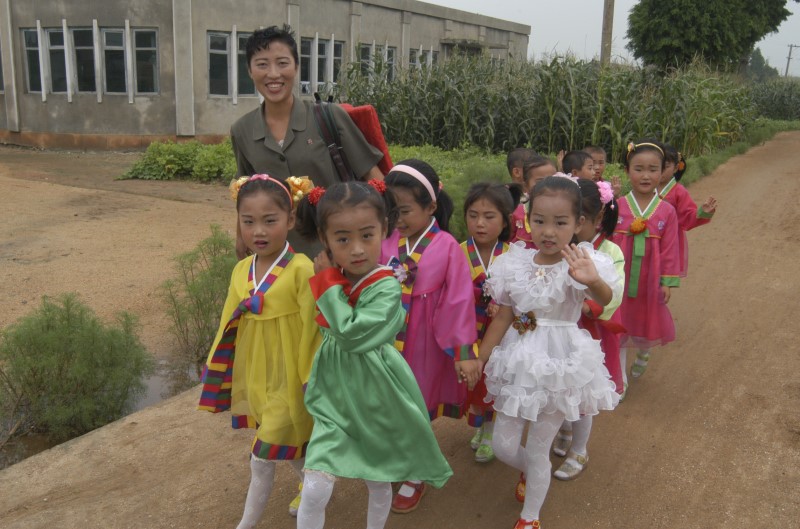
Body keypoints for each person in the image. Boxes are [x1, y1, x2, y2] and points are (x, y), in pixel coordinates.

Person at [293, 181, 452, 529]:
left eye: (367, 235)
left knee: (378, 479)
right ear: (325, 238)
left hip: (375, 392)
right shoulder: (334, 278)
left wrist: (325, 285)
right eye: (343, 238)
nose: (356, 249)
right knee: (316, 486)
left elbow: (350, 335)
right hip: (335, 394)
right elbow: (316, 332)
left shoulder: (385, 284)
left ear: (384, 230)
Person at [477, 175, 621, 529]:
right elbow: (505, 316)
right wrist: (480, 359)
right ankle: (532, 470)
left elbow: (604, 299)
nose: (548, 231)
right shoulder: (515, 263)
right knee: (504, 446)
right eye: (539, 220)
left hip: (560, 363)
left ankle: (531, 518)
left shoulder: (583, 262)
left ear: (578, 224)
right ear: (528, 219)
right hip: (518, 358)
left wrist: (593, 282)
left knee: (540, 447)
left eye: (560, 223)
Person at [197, 175, 321, 529]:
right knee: (292, 444)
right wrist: (213, 364)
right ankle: (314, 481)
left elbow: (313, 328)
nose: (259, 231)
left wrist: (310, 376)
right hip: (257, 375)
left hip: (291, 378)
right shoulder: (241, 270)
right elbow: (227, 320)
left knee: (261, 456)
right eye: (248, 221)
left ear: (291, 220)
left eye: (270, 220)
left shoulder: (301, 270)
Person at [230, 25, 384, 258]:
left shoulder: (329, 116)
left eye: (282, 63)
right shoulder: (242, 131)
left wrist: (387, 235)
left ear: (296, 67)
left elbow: (374, 179)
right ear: (250, 71)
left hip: (340, 255)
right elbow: (247, 193)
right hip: (280, 259)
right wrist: (241, 237)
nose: (273, 74)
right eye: (262, 64)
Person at [380, 159, 481, 513]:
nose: (398, 219)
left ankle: (416, 472)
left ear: (431, 206)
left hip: (425, 342)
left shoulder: (447, 245)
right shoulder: (385, 239)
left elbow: (457, 299)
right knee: (389, 402)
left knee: (416, 404)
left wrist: (464, 351)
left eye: (405, 210)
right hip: (386, 339)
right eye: (391, 210)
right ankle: (400, 457)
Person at [552, 178, 626, 481]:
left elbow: (613, 293)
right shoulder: (555, 246)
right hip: (556, 333)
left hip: (589, 335)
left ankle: (579, 448)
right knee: (557, 385)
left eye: (577, 217)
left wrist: (585, 306)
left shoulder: (609, 251)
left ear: (595, 218)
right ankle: (566, 428)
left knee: (582, 392)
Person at [461, 182, 523, 463]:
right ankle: (483, 427)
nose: (480, 223)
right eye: (473, 215)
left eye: (489, 217)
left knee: (496, 379)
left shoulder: (515, 255)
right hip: (469, 329)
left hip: (504, 333)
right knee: (475, 382)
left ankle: (491, 430)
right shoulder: (457, 252)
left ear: (505, 220)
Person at [612, 141, 680, 383]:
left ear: (662, 173)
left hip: (650, 277)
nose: (645, 175)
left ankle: (644, 351)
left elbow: (671, 248)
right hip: (619, 275)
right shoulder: (616, 207)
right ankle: (620, 380)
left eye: (653, 169)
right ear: (627, 170)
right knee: (618, 321)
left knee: (646, 316)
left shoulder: (666, 211)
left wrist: (667, 282)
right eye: (638, 169)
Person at [657, 143, 717, 277]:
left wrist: (702, 212)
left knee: (662, 280)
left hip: (669, 241)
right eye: (656, 166)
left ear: (675, 168)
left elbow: (688, 217)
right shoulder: (645, 188)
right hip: (646, 238)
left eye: (665, 166)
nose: (660, 171)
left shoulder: (679, 192)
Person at [511, 156, 557, 249]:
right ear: (526, 186)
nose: (547, 185)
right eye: (540, 181)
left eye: (552, 180)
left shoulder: (564, 211)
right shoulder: (516, 213)